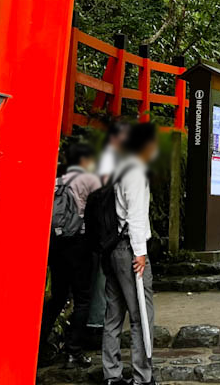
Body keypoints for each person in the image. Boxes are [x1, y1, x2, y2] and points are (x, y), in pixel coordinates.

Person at [102, 122, 158, 385]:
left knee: (113, 314)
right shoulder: (134, 170)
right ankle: (142, 376)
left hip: (112, 247)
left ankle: (111, 373)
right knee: (140, 316)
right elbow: (136, 215)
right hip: (128, 248)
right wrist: (141, 252)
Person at [41, 141, 102, 366]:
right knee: (83, 299)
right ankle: (73, 351)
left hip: (56, 245)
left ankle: (38, 345)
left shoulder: (57, 179)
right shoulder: (89, 180)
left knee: (57, 297)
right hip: (79, 246)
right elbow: (97, 214)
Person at [89, 120, 131, 336]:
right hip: (115, 237)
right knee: (125, 298)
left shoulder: (102, 163)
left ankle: (97, 324)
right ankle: (97, 324)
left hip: (99, 234)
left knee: (104, 285)